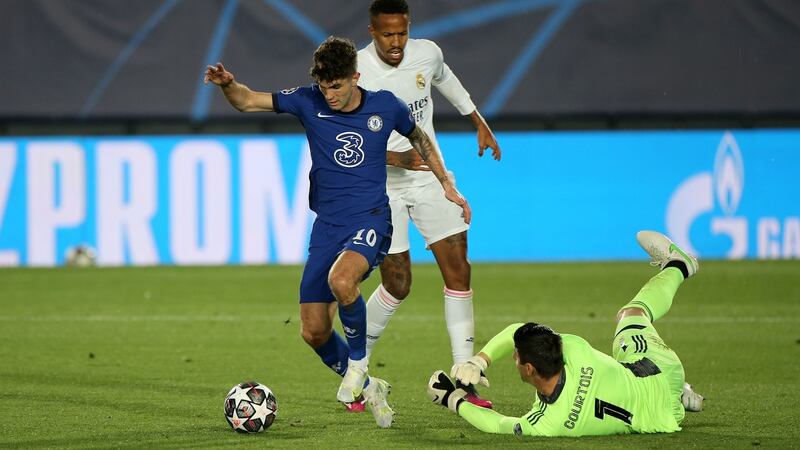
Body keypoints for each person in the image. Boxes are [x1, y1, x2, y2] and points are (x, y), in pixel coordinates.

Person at [204, 36, 471, 429]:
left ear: (354, 78)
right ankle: (371, 387)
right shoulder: (308, 100)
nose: (329, 94)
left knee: (342, 280)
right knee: (313, 330)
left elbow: (419, 137)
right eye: (324, 86)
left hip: (372, 219)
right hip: (327, 227)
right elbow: (247, 100)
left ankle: (359, 364)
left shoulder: (385, 105)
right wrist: (228, 84)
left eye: (337, 86)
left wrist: (446, 183)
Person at [357, 0, 501, 409]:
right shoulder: (356, 70)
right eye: (388, 34)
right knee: (397, 284)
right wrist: (393, 158)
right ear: (372, 32)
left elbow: (446, 78)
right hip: (381, 187)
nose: (397, 42)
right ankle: (356, 367)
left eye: (402, 32)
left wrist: (478, 120)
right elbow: (344, 135)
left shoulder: (427, 53)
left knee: (459, 267)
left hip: (429, 175)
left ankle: (465, 377)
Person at [426, 231, 705, 436]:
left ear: (530, 369)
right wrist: (472, 371)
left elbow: (498, 423)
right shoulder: (574, 349)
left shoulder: (551, 421)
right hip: (663, 372)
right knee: (632, 314)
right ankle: (679, 266)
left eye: (516, 357)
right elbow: (519, 333)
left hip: (663, 421)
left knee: (625, 352)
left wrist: (454, 397)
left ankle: (681, 264)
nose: (513, 356)